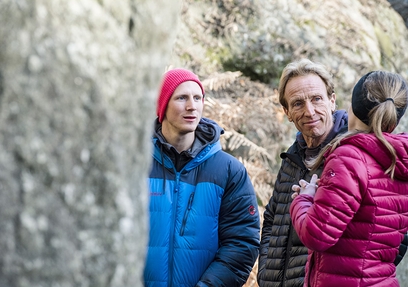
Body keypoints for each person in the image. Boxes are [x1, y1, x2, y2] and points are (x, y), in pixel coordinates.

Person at [289, 70, 408, 287]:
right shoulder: (399, 160)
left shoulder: (350, 157)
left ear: (353, 107)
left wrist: (303, 199)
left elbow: (317, 235)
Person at [143, 68, 261, 287]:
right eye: (181, 98)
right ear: (163, 107)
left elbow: (242, 243)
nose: (192, 106)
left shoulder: (228, 171)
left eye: (197, 98)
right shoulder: (137, 164)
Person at [257, 58, 349, 287]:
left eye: (317, 99)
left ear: (332, 101)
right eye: (298, 103)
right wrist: (266, 271)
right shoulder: (292, 158)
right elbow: (271, 219)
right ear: (287, 112)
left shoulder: (352, 154)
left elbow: (391, 225)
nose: (309, 111)